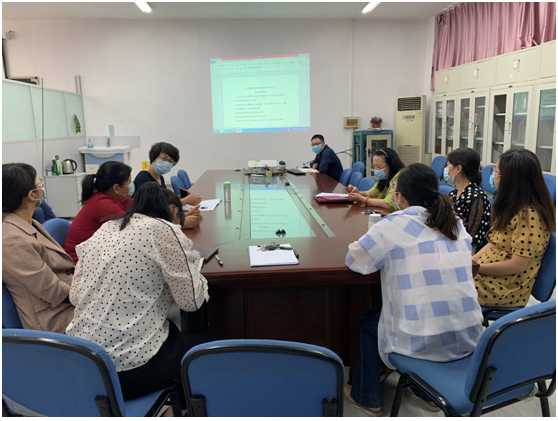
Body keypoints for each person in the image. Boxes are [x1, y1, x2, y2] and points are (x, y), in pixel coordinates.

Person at [344, 163, 483, 416]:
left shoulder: (392, 224)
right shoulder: (454, 223)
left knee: (368, 320)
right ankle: (426, 392)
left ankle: (366, 396)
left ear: (400, 197)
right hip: (469, 338)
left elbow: (355, 260)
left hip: (421, 342)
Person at [66, 182, 218, 400]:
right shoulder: (164, 229)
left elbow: (75, 296)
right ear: (175, 213)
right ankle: (178, 408)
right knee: (212, 348)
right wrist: (193, 264)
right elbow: (191, 302)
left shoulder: (105, 229)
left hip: (82, 362)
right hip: (128, 370)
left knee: (171, 332)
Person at [473, 149, 555, 307]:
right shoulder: (512, 206)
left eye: (496, 171)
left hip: (503, 287)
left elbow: (517, 265)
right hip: (488, 275)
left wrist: (477, 269)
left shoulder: (529, 216)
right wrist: (472, 261)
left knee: (445, 287)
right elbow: (494, 242)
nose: (493, 175)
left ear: (509, 179)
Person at [2, 163, 74, 333]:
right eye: (37, 182)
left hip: (67, 299)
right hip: (53, 318)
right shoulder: (11, 240)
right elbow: (53, 292)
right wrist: (92, 294)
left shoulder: (28, 222)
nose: (41, 185)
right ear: (31, 195)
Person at [64, 161, 134, 264]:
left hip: (95, 255)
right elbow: (132, 226)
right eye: (128, 183)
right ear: (116, 188)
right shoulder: (101, 202)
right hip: (79, 262)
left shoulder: (116, 197)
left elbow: (136, 208)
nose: (131, 187)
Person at [444, 148, 491, 252]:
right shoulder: (453, 194)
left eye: (448, 165)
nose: (446, 169)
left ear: (458, 169)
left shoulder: (477, 198)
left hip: (465, 250)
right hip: (450, 244)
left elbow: (471, 238)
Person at [134, 141, 202, 208]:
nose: (166, 163)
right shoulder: (143, 179)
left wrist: (179, 197)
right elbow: (155, 208)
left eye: (170, 161)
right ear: (153, 158)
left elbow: (162, 200)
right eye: (164, 159)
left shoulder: (159, 177)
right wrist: (185, 201)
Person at [347, 148, 405, 213]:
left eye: (378, 167)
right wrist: (358, 193)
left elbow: (388, 204)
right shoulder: (384, 178)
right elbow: (371, 193)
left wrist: (363, 199)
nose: (376, 170)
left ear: (391, 165)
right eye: (374, 166)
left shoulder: (400, 177)